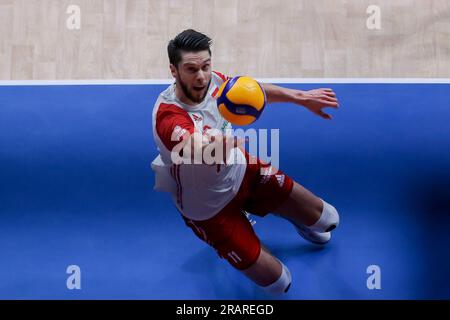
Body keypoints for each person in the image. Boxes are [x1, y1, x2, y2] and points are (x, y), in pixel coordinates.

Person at [151, 29, 340, 295]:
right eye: (191, 69)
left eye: (206, 66)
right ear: (174, 71)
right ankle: (241, 241)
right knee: (279, 284)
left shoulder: (215, 83)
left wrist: (301, 98)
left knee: (329, 220)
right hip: (207, 209)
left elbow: (252, 91)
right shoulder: (169, 116)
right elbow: (193, 145)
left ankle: (289, 216)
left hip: (242, 171)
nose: (201, 76)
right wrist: (218, 146)